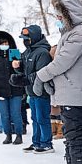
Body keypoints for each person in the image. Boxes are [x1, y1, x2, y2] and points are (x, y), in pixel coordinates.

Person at [36, 0, 82, 164]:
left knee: (75, 131)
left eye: (60, 16)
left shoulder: (80, 33)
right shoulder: (69, 33)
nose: (58, 19)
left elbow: (63, 61)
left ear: (70, 15)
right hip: (68, 89)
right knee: (69, 131)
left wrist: (42, 75)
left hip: (75, 90)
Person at [10, 25, 54, 154]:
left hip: (41, 91)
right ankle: (36, 142)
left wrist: (24, 79)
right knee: (35, 117)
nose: (25, 40)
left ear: (33, 37)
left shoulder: (42, 52)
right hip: (31, 91)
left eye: (27, 38)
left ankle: (46, 143)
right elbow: (23, 69)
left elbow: (41, 73)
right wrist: (17, 67)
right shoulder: (28, 51)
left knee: (42, 118)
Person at [0, 31, 24, 145]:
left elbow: (21, 72)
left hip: (15, 90)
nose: (4, 44)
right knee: (5, 115)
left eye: (6, 42)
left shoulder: (15, 54)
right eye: (2, 43)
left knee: (16, 113)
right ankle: (8, 135)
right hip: (0, 92)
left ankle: (19, 135)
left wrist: (18, 66)